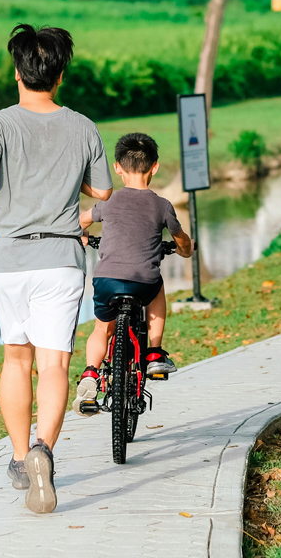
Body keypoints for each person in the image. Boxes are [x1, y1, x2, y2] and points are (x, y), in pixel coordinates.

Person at [0, 24, 112, 515]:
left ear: (17, 72)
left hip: (10, 260)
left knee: (15, 359)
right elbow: (104, 192)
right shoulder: (83, 126)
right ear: (60, 75)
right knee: (55, 362)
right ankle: (46, 450)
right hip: (62, 260)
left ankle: (22, 457)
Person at [74, 133, 192, 417]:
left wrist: (84, 235)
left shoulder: (109, 203)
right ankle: (154, 352)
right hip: (144, 281)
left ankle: (90, 374)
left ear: (117, 168)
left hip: (106, 280)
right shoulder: (162, 205)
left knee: (102, 328)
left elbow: (80, 220)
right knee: (158, 287)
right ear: (155, 167)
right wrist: (185, 249)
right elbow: (181, 240)